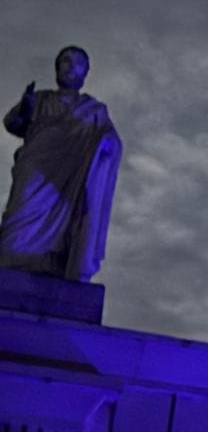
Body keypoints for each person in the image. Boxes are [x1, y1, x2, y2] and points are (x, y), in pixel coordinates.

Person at [0, 47, 122, 280]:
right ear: (57, 68)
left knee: (64, 223)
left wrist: (106, 143)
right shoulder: (40, 99)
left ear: (85, 73)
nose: (71, 67)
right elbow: (12, 123)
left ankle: (52, 261)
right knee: (20, 213)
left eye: (78, 63)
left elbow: (111, 140)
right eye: (66, 61)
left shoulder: (94, 110)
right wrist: (24, 110)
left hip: (69, 181)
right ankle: (11, 259)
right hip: (35, 166)